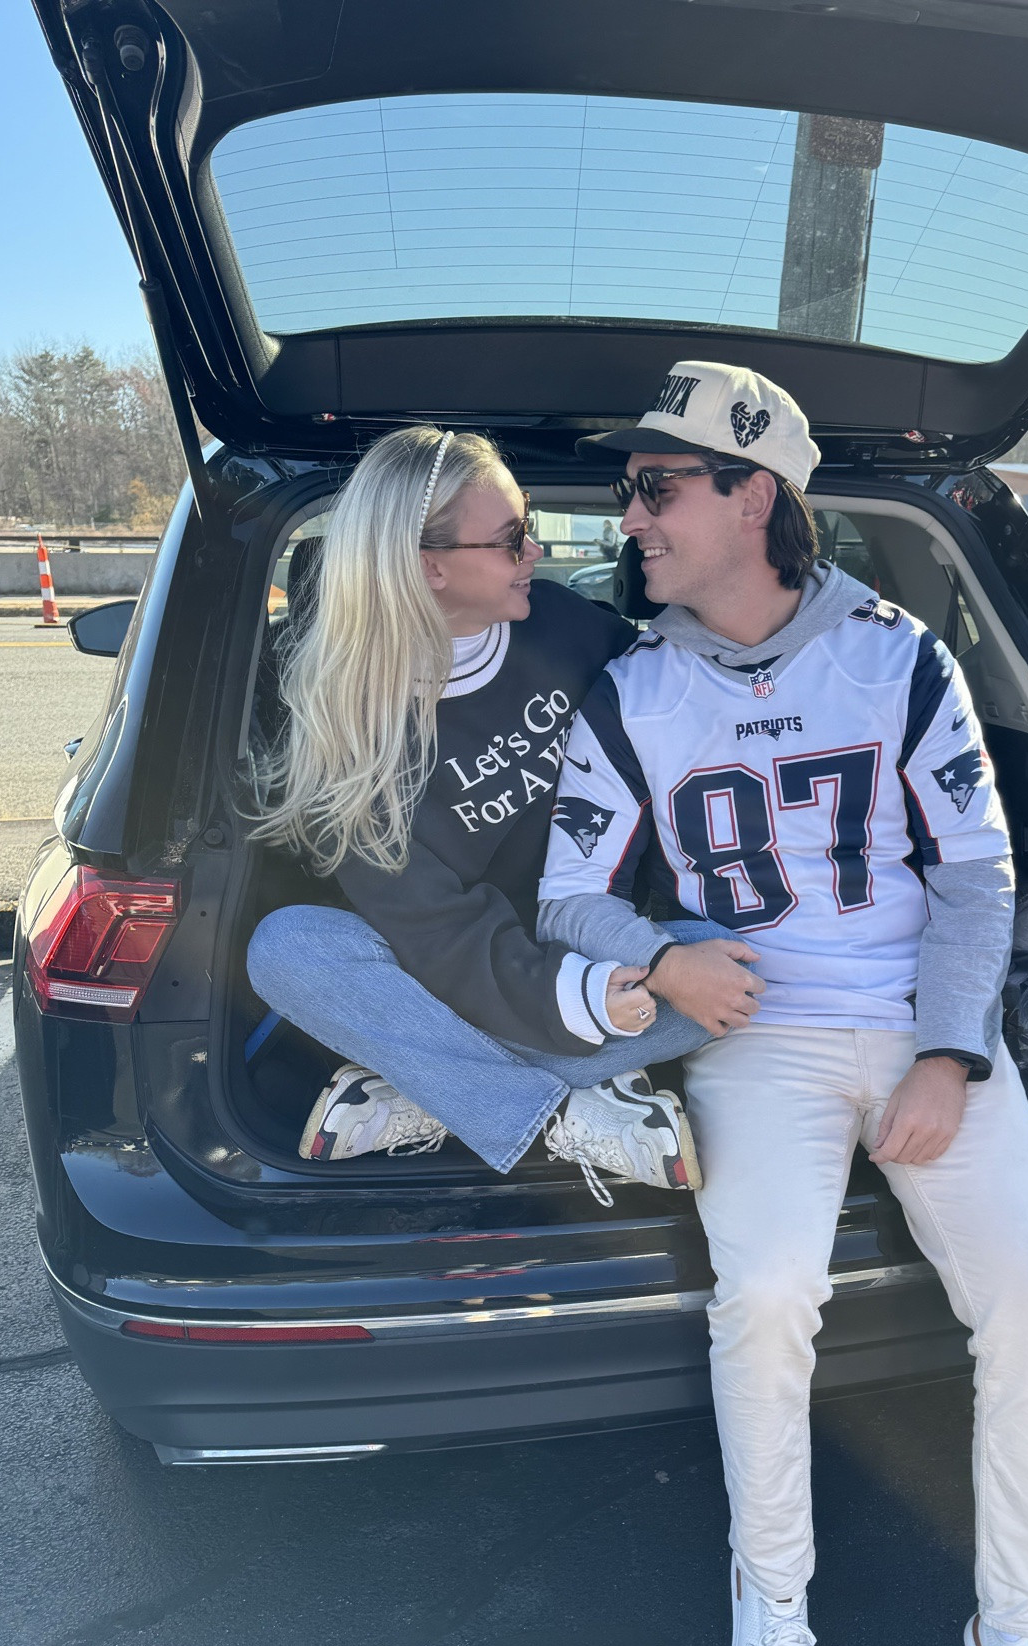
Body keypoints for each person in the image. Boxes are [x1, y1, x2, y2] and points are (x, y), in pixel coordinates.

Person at [537, 361, 1028, 1646]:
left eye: (658, 485)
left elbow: (975, 877)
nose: (632, 512)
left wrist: (947, 1050)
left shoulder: (901, 657)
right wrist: (664, 953)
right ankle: (769, 1596)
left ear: (752, 496)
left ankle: (1019, 1634)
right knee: (770, 1291)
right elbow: (564, 898)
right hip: (755, 1039)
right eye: (632, 489)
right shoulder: (631, 687)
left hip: (919, 1022)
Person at [243, 424, 722, 1202]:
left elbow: (693, 707)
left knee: (735, 960)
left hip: (602, 945)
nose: (535, 552)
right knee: (289, 949)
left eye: (526, 528)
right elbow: (439, 936)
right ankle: (557, 1115)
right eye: (511, 540)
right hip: (453, 972)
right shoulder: (348, 733)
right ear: (427, 567)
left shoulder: (569, 630)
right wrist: (582, 1002)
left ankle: (426, 1082)